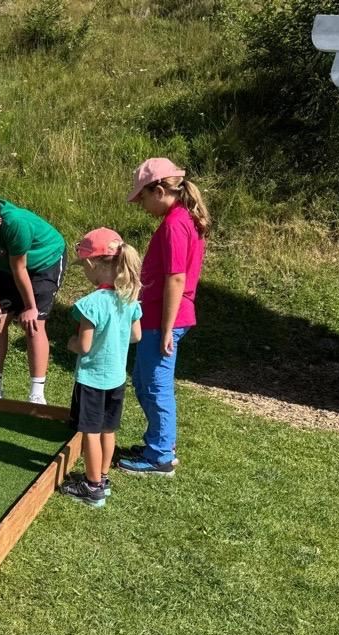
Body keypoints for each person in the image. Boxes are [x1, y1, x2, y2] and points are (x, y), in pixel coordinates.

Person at [118, 158, 209, 476]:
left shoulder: (175, 224)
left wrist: (167, 328)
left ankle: (161, 456)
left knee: (156, 386)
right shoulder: (181, 218)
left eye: (142, 197)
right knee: (144, 382)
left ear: (158, 190)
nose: (142, 205)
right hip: (157, 318)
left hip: (163, 320)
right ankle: (158, 443)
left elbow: (176, 278)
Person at [58, 228, 142, 508]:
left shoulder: (90, 304)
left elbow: (84, 345)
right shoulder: (129, 298)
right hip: (116, 377)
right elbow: (136, 336)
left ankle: (92, 488)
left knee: (90, 432)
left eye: (83, 266)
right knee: (108, 429)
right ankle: (102, 478)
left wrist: (70, 343)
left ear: (92, 263)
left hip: (93, 378)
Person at [0, 196, 67, 404]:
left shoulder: (16, 224)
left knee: (34, 323)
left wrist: (30, 307)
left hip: (45, 261)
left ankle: (37, 394)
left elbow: (20, 268)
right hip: (10, 265)